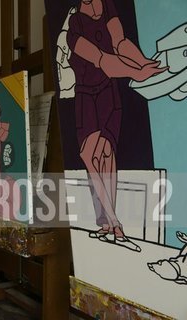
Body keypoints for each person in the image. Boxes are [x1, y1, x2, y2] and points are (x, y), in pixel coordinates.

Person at [66, 0, 167, 243]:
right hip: (86, 96)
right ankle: (113, 220)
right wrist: (136, 71)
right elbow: (103, 60)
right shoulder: (74, 25)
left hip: (109, 94)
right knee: (89, 155)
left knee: (107, 154)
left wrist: (142, 61)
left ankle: (108, 224)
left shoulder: (108, 6)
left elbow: (120, 44)